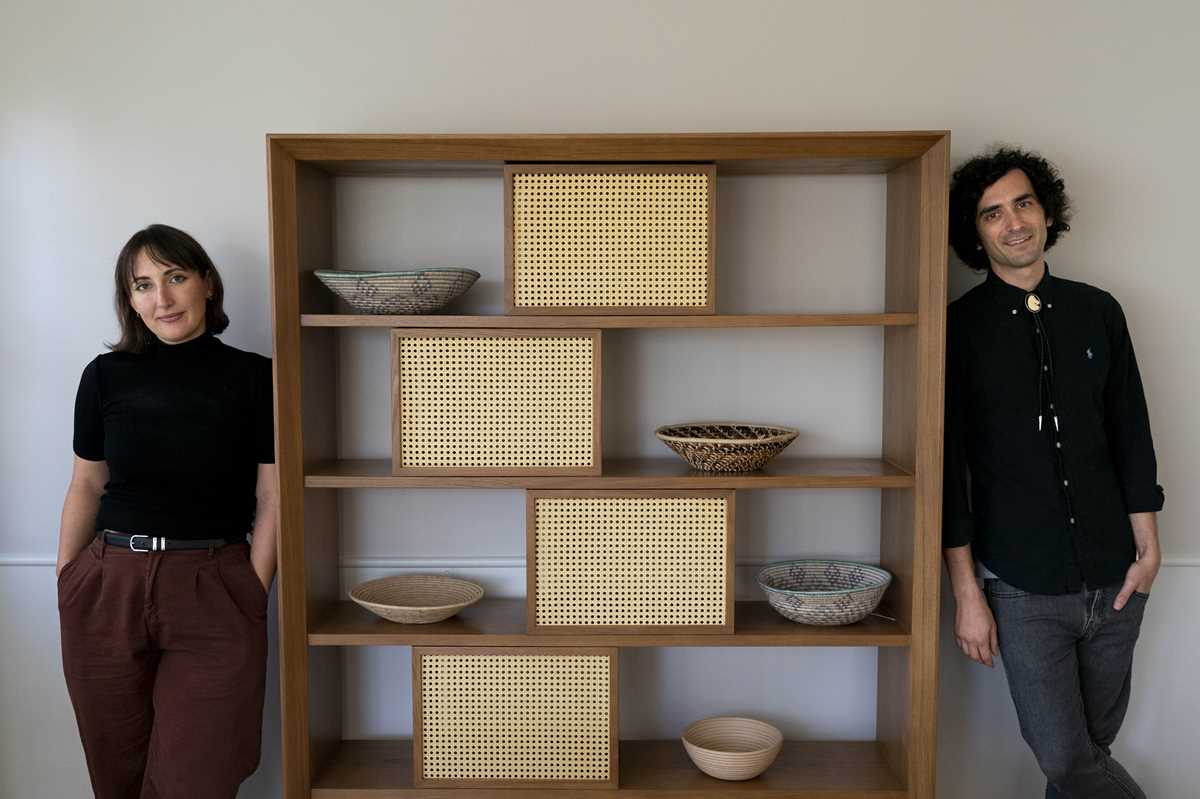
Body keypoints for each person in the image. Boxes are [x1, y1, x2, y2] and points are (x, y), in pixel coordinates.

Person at [943, 148, 1162, 799]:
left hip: (1116, 578)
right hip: (1022, 587)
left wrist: (1148, 550)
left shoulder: (1099, 311)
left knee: (1085, 761)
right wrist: (966, 593)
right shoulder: (959, 329)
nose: (1014, 222)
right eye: (992, 213)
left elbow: (1131, 432)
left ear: (1046, 212)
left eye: (1023, 203)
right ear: (975, 233)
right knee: (1068, 761)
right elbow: (949, 467)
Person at [56, 224, 278, 798]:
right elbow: (86, 484)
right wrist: (67, 577)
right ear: (130, 300)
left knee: (198, 776)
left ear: (207, 283)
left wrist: (253, 587)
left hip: (214, 585)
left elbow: (272, 494)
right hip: (108, 585)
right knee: (117, 773)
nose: (163, 298)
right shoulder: (104, 376)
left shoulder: (256, 377)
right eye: (143, 285)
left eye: (176, 277)